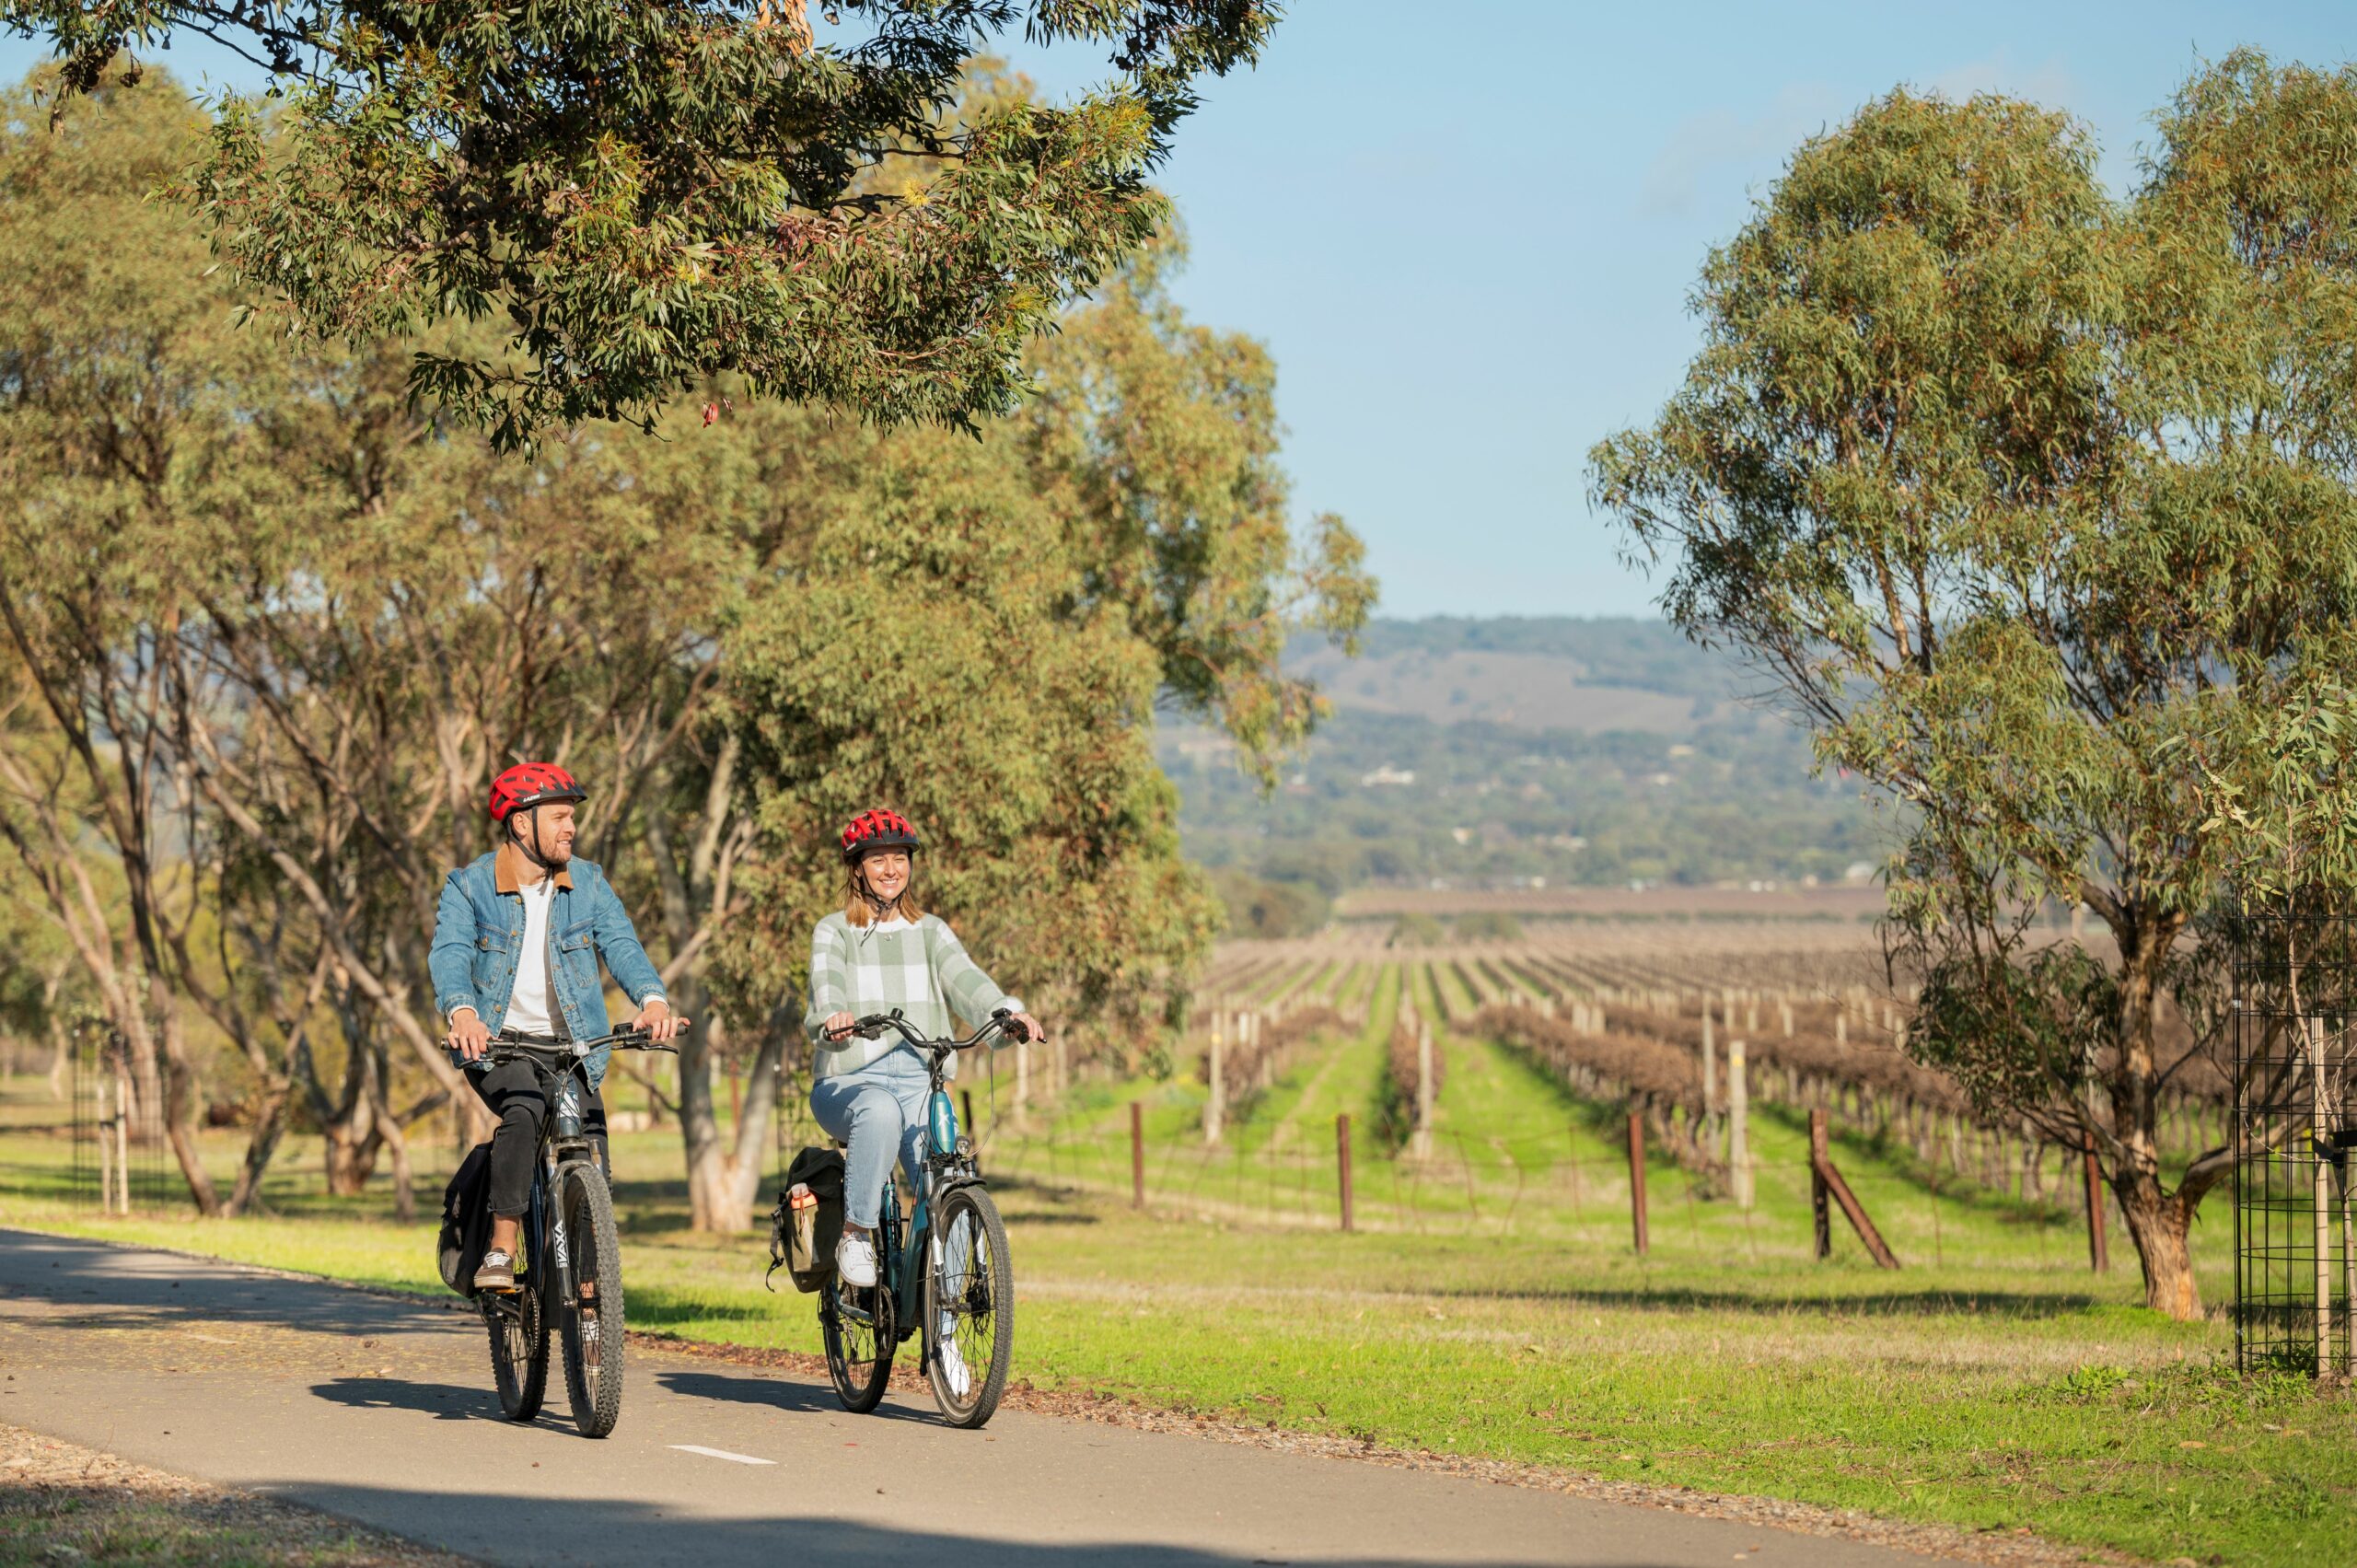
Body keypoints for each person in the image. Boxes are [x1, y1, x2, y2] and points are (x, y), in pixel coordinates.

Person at [806, 807, 1043, 1393]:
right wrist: (834, 1017)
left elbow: (966, 979)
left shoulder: (930, 931)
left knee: (952, 1174)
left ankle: (948, 1339)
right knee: (878, 1113)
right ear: (857, 870)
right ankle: (858, 1235)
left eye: (900, 858)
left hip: (921, 1077)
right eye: (878, 859)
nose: (891, 869)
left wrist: (1005, 1011)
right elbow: (825, 986)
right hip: (848, 1080)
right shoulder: (833, 931)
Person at [431, 761, 684, 1292]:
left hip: (575, 1046)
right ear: (522, 824)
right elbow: (451, 954)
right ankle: (501, 1249)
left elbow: (622, 946)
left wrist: (653, 1002)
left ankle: (590, 1298)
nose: (572, 828)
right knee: (524, 1112)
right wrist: (464, 1014)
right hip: (499, 1045)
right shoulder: (470, 886)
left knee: (592, 1150)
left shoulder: (588, 883)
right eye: (561, 817)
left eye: (573, 818)